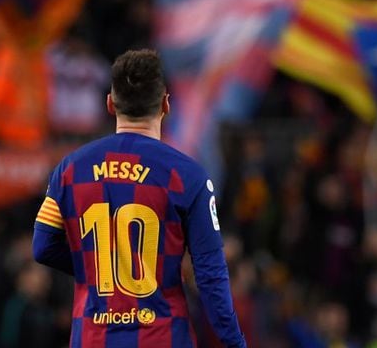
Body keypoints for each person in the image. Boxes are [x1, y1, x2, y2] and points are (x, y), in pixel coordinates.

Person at [32, 49, 246, 347]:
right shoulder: (188, 175)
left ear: (110, 103)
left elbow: (43, 247)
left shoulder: (69, 170)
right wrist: (235, 343)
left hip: (93, 338)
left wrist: (100, 268)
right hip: (161, 338)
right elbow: (210, 274)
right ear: (166, 104)